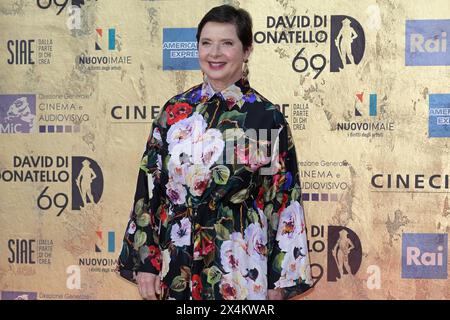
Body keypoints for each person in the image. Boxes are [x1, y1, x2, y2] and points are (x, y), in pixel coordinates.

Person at [116, 4, 313, 300]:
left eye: (227, 43)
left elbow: (282, 201)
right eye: (206, 43)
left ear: (246, 50)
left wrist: (280, 280)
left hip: (240, 263)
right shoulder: (175, 113)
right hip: (178, 261)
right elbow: (149, 189)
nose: (215, 53)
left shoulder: (263, 117)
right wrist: (146, 261)